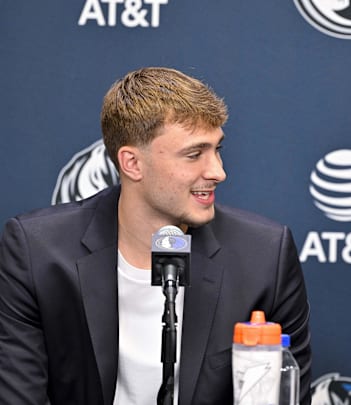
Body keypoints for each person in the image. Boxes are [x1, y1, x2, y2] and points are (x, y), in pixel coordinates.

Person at [0, 67, 312, 405]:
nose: (218, 172)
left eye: (217, 149)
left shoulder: (264, 256)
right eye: (195, 154)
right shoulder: (37, 251)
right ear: (132, 163)